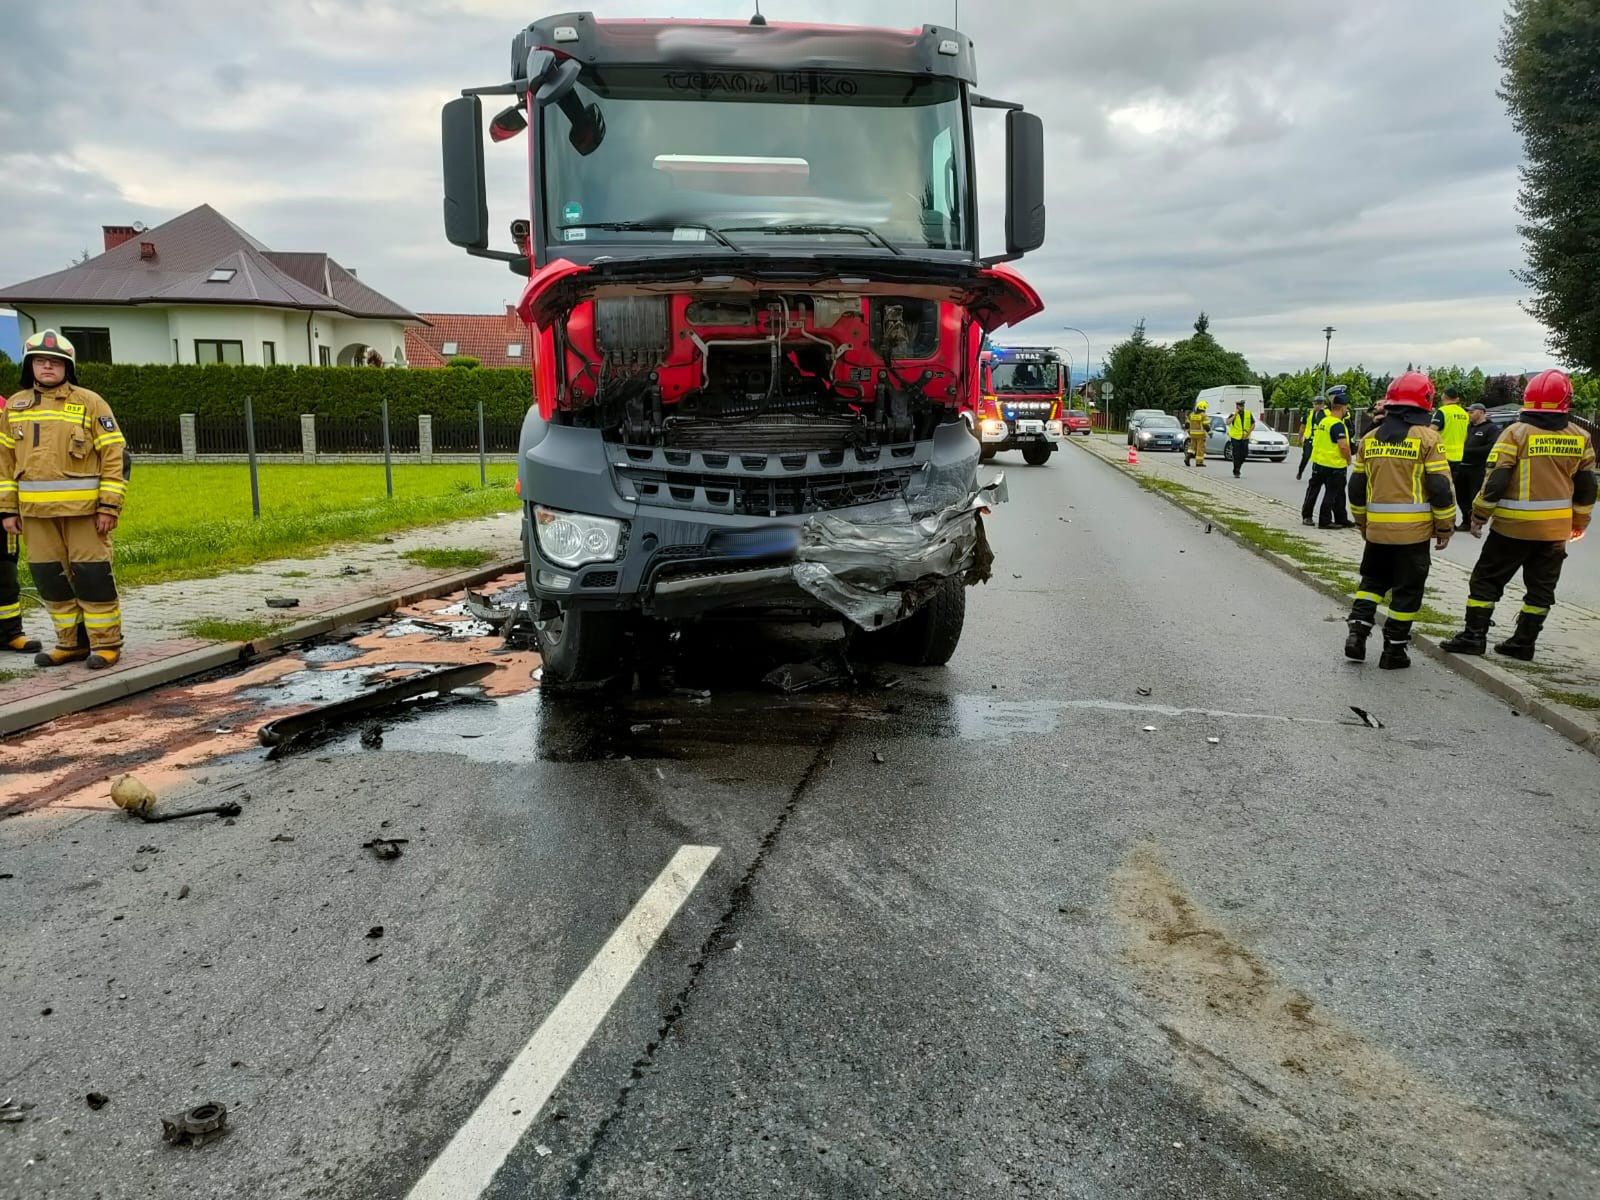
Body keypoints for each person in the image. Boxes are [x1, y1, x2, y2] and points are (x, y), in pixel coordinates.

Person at [1441, 369, 1595, 661]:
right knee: (1540, 589)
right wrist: (1580, 522)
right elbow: (1587, 487)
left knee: (1486, 580)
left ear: (1528, 400)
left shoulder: (1516, 433)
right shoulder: (1581, 437)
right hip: (1555, 532)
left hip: (1513, 528)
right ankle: (1524, 642)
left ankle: (1474, 636)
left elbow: (1497, 477)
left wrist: (1479, 514)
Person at [0, 330, 128, 669]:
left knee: (92, 576)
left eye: (55, 362)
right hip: (35, 516)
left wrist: (109, 506)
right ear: (30, 366)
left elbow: (114, 454)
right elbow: (5, 462)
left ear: (67, 368)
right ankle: (68, 643)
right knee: (49, 579)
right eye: (41, 361)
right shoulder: (14, 406)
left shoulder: (89, 402)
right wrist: (7, 510)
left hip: (85, 513)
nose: (48, 367)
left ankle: (106, 644)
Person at [1344, 372, 1456, 670]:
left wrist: (1362, 522)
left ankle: (1357, 631)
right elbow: (1441, 489)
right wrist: (1445, 527)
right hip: (1414, 535)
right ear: (1425, 402)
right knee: (1407, 591)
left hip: (1377, 532)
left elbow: (1355, 487)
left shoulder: (1369, 440)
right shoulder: (1429, 439)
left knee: (1371, 583)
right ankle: (1393, 652)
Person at [1301, 394, 1355, 528]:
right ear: (1343, 408)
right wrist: (1349, 459)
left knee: (1313, 491)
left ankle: (1309, 516)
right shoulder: (1337, 425)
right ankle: (1325, 521)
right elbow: (1343, 446)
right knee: (1333, 494)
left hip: (1319, 462)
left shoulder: (1323, 421)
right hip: (1334, 464)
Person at [1456, 402, 1497, 531]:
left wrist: (1467, 451)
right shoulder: (1468, 427)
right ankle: (1466, 521)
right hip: (1462, 466)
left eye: (1471, 412)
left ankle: (1475, 522)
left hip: (1477, 468)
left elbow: (1491, 448)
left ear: (1480, 412)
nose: (1469, 414)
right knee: (1461, 496)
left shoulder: (1491, 428)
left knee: (1474, 496)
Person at [1432, 385, 1471, 519]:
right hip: (1459, 457)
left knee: (1440, 490)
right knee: (1453, 490)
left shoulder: (1442, 412)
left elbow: (1431, 432)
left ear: (1444, 396)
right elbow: (1465, 435)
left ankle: (1444, 520)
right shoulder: (1464, 413)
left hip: (1442, 457)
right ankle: (1453, 518)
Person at [1297, 393, 1329, 480]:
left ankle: (1315, 475)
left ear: (1323, 404)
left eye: (1319, 404)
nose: (1317, 406)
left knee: (1318, 458)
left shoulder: (1327, 413)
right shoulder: (1308, 413)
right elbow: (1303, 426)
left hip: (1320, 440)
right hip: (1309, 438)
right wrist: (1300, 437)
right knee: (1306, 456)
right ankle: (1300, 471)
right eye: (1315, 404)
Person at [1226, 399, 1255, 477]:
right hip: (1235, 437)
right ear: (1237, 406)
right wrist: (1234, 415)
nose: (1241, 407)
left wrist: (1248, 433)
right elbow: (1227, 422)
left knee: (1244, 454)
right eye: (1240, 406)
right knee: (1236, 454)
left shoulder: (1248, 413)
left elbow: (1253, 424)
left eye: (1242, 406)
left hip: (1245, 437)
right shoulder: (1233, 414)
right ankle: (1237, 471)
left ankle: (1237, 467)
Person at [1184, 398, 1209, 467]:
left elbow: (1187, 424)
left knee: (1192, 447)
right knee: (1200, 448)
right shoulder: (1203, 415)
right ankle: (1199, 462)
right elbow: (1205, 425)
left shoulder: (1191, 414)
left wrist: (1188, 430)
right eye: (1205, 408)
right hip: (1200, 434)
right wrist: (1209, 431)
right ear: (1203, 407)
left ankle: (1187, 457)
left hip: (1192, 434)